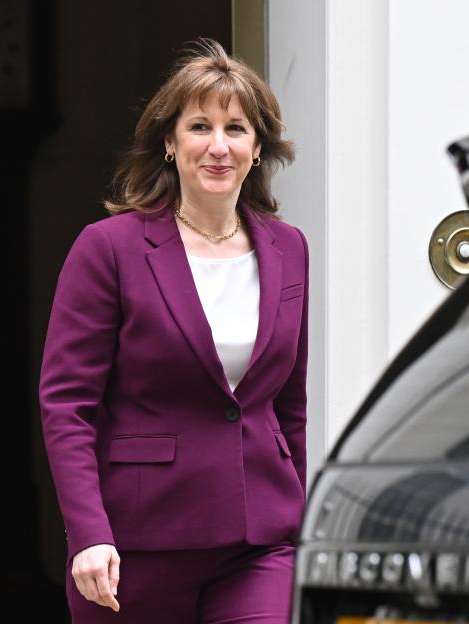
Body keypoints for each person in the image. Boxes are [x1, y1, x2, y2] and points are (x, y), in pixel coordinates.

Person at [39, 38, 308, 624]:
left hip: (259, 542)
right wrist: (87, 533)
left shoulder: (290, 250)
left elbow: (290, 404)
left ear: (257, 147)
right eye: (199, 127)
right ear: (170, 141)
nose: (218, 146)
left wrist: (301, 512)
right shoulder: (108, 249)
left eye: (236, 128)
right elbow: (67, 406)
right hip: (137, 544)